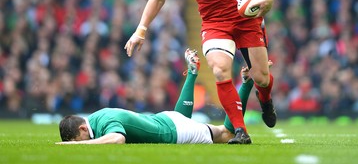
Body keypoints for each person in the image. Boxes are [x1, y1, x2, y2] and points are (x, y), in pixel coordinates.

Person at [124, 0, 277, 144]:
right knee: (219, 70)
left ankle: (265, 100)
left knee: (262, 78)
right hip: (214, 24)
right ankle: (240, 131)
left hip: (244, 19)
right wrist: (141, 30)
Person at [56, 49, 265, 144]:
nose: (83, 140)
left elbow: (118, 139)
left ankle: (246, 83)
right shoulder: (96, 117)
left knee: (227, 134)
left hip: (174, 133)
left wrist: (80, 144)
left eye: (79, 137)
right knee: (183, 117)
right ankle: (192, 73)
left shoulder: (105, 123)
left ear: (83, 128)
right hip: (166, 118)